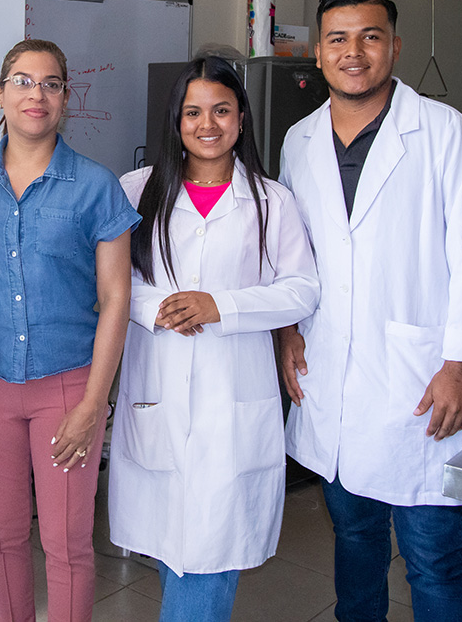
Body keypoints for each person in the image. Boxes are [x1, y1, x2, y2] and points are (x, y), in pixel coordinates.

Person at [278, 0, 462, 622]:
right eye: (337, 39)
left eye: (370, 37)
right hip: (332, 374)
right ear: (318, 53)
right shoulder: (299, 141)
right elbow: (292, 252)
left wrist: (461, 364)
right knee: (354, 540)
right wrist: (288, 330)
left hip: (423, 380)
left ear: (395, 47)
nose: (353, 53)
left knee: (434, 555)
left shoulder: (445, 132)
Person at [109, 56, 320, 622]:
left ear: (242, 118)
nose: (208, 124)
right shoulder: (136, 190)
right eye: (193, 112)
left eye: (221, 110)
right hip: (156, 392)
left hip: (232, 402)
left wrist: (219, 306)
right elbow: (111, 279)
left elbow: (302, 289)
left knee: (207, 557)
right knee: (174, 550)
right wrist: (159, 308)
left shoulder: (271, 200)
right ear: (176, 121)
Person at [0, 39, 139, 622]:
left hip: (67, 387)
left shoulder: (96, 186)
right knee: (1, 535)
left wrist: (94, 404)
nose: (37, 94)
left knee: (67, 543)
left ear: (66, 98)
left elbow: (116, 299)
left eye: (51, 83)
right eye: (23, 81)